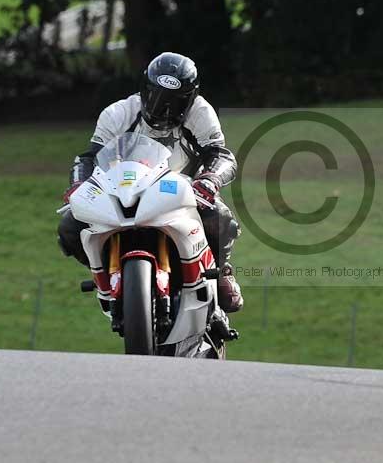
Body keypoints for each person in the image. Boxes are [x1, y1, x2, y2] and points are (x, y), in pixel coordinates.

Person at [57, 52, 244, 313]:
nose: (164, 109)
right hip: (123, 189)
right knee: (70, 227)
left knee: (220, 220)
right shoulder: (118, 113)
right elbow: (89, 157)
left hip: (184, 189)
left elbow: (221, 155)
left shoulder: (201, 112)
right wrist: (78, 185)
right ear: (144, 90)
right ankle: (107, 270)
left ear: (191, 98)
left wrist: (209, 180)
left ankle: (221, 271)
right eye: (156, 97)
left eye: (176, 102)